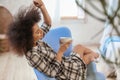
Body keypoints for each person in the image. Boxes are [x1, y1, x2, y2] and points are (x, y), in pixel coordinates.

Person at [7, 0, 99, 80]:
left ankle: (93, 58)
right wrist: (60, 51)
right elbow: (52, 72)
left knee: (79, 47)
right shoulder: (33, 55)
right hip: (66, 74)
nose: (41, 32)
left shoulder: (35, 41)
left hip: (66, 63)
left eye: (39, 28)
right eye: (37, 32)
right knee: (88, 56)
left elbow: (47, 24)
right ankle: (94, 57)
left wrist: (42, 7)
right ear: (27, 38)